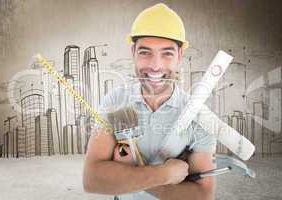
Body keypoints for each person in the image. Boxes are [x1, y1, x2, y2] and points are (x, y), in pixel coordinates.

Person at [83, 3, 217, 200]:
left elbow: (202, 196)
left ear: (180, 55)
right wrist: (164, 175)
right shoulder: (116, 100)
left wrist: (130, 177)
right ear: (133, 53)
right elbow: (92, 179)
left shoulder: (199, 115)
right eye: (145, 52)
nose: (155, 66)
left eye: (167, 54)